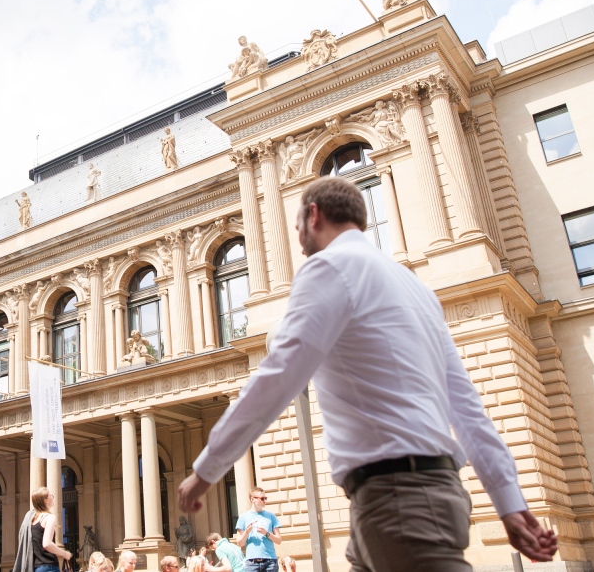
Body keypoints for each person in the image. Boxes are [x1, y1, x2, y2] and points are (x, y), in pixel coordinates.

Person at [177, 176, 558, 571]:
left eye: (296, 228)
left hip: (396, 497)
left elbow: (276, 378)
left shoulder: (328, 267)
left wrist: (206, 471)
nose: (299, 240)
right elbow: (467, 408)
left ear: (313, 215)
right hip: (428, 491)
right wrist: (508, 502)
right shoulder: (416, 288)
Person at [12, 487, 73, 572]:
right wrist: (65, 554)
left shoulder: (31, 519)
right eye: (51, 495)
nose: (53, 497)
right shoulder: (49, 517)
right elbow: (47, 544)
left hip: (35, 567)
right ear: (45, 500)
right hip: (49, 567)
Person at [233, 487, 280, 572]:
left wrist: (266, 533)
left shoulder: (271, 516)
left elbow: (279, 540)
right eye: (262, 498)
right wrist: (247, 532)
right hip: (252, 562)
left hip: (270, 561)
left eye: (265, 498)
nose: (264, 501)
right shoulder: (243, 517)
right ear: (252, 499)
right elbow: (239, 543)